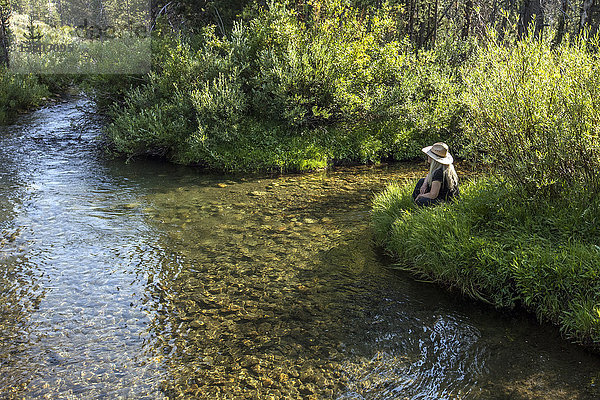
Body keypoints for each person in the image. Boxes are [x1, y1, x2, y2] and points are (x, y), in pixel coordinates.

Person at [412, 142, 459, 207]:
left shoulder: (439, 173)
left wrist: (420, 196)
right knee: (421, 181)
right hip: (446, 197)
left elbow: (433, 194)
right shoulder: (444, 167)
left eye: (430, 155)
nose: (428, 156)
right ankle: (416, 203)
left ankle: (417, 204)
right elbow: (429, 174)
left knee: (421, 201)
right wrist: (424, 184)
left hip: (445, 202)